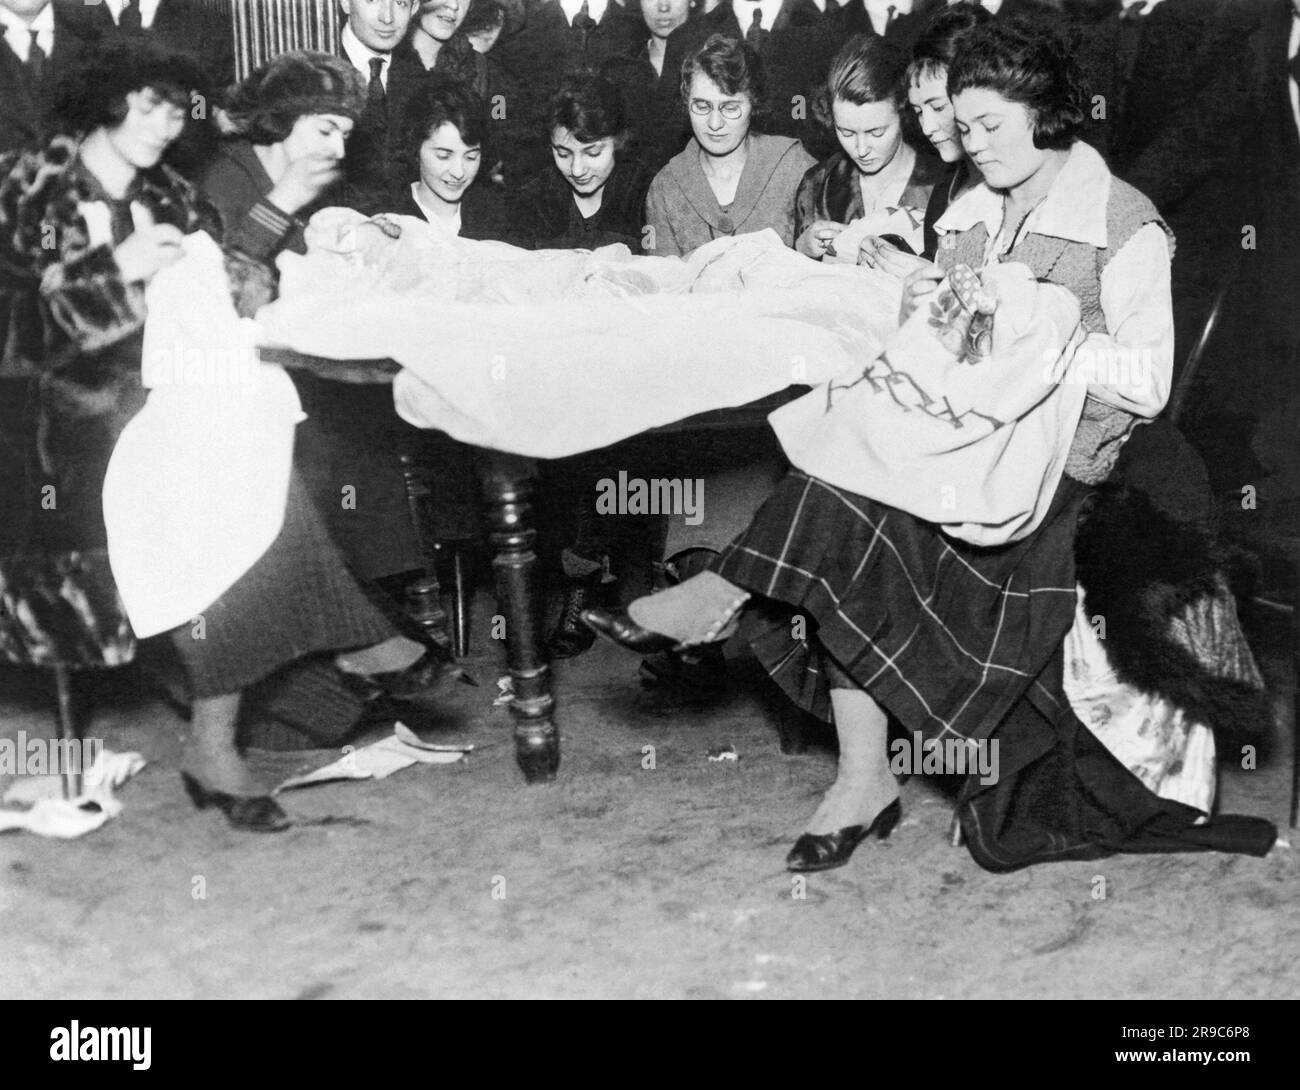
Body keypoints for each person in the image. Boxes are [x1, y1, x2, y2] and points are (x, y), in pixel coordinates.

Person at [585, 19, 1276, 872]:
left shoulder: (1120, 223)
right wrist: (929, 295)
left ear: (1046, 114)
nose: (970, 144)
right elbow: (945, 339)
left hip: (1063, 462)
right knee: (845, 456)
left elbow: (1147, 379)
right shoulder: (977, 208)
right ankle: (859, 771)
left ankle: (740, 606)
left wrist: (1033, 329)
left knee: (853, 488)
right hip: (966, 439)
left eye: (989, 126)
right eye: (962, 124)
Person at [0, 38, 435, 832]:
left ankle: (238, 727)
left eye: (174, 109)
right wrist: (116, 273)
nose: (163, 125)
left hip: (165, 402)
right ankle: (337, 643)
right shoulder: (34, 191)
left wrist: (272, 244)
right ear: (105, 100)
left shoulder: (167, 193)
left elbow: (227, 287)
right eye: (145, 104)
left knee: (244, 431)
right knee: (228, 449)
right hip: (54, 429)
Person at [504, 71, 653, 658]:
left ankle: (621, 578)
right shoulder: (532, 199)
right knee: (561, 453)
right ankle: (578, 578)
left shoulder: (644, 187)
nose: (579, 167)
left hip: (632, 365)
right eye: (563, 152)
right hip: (556, 367)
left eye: (593, 151)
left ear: (619, 140)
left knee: (634, 447)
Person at [644, 33, 815, 256]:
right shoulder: (666, 187)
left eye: (731, 108)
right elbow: (663, 284)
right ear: (686, 103)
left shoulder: (794, 167)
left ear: (753, 104)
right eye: (702, 106)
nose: (715, 124)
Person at [792, 34, 944, 263]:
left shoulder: (944, 185)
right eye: (846, 132)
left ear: (904, 112)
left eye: (876, 133)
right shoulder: (817, 185)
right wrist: (799, 251)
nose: (861, 150)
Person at [338, 0, 424, 213]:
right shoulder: (311, 74)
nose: (387, 17)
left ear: (414, 9)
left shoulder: (419, 79)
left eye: (400, 3)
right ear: (345, 3)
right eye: (372, 0)